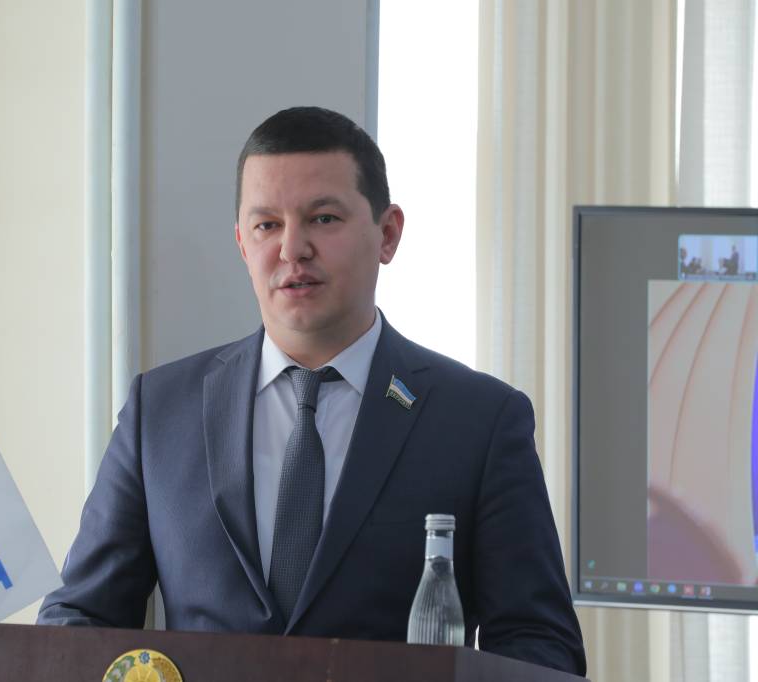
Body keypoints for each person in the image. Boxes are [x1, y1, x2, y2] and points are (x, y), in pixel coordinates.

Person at [38, 106, 586, 676]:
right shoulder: (161, 410)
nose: (292, 249)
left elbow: (540, 645)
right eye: (266, 225)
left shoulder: (478, 420)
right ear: (241, 242)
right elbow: (80, 619)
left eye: (323, 219)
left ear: (388, 234)